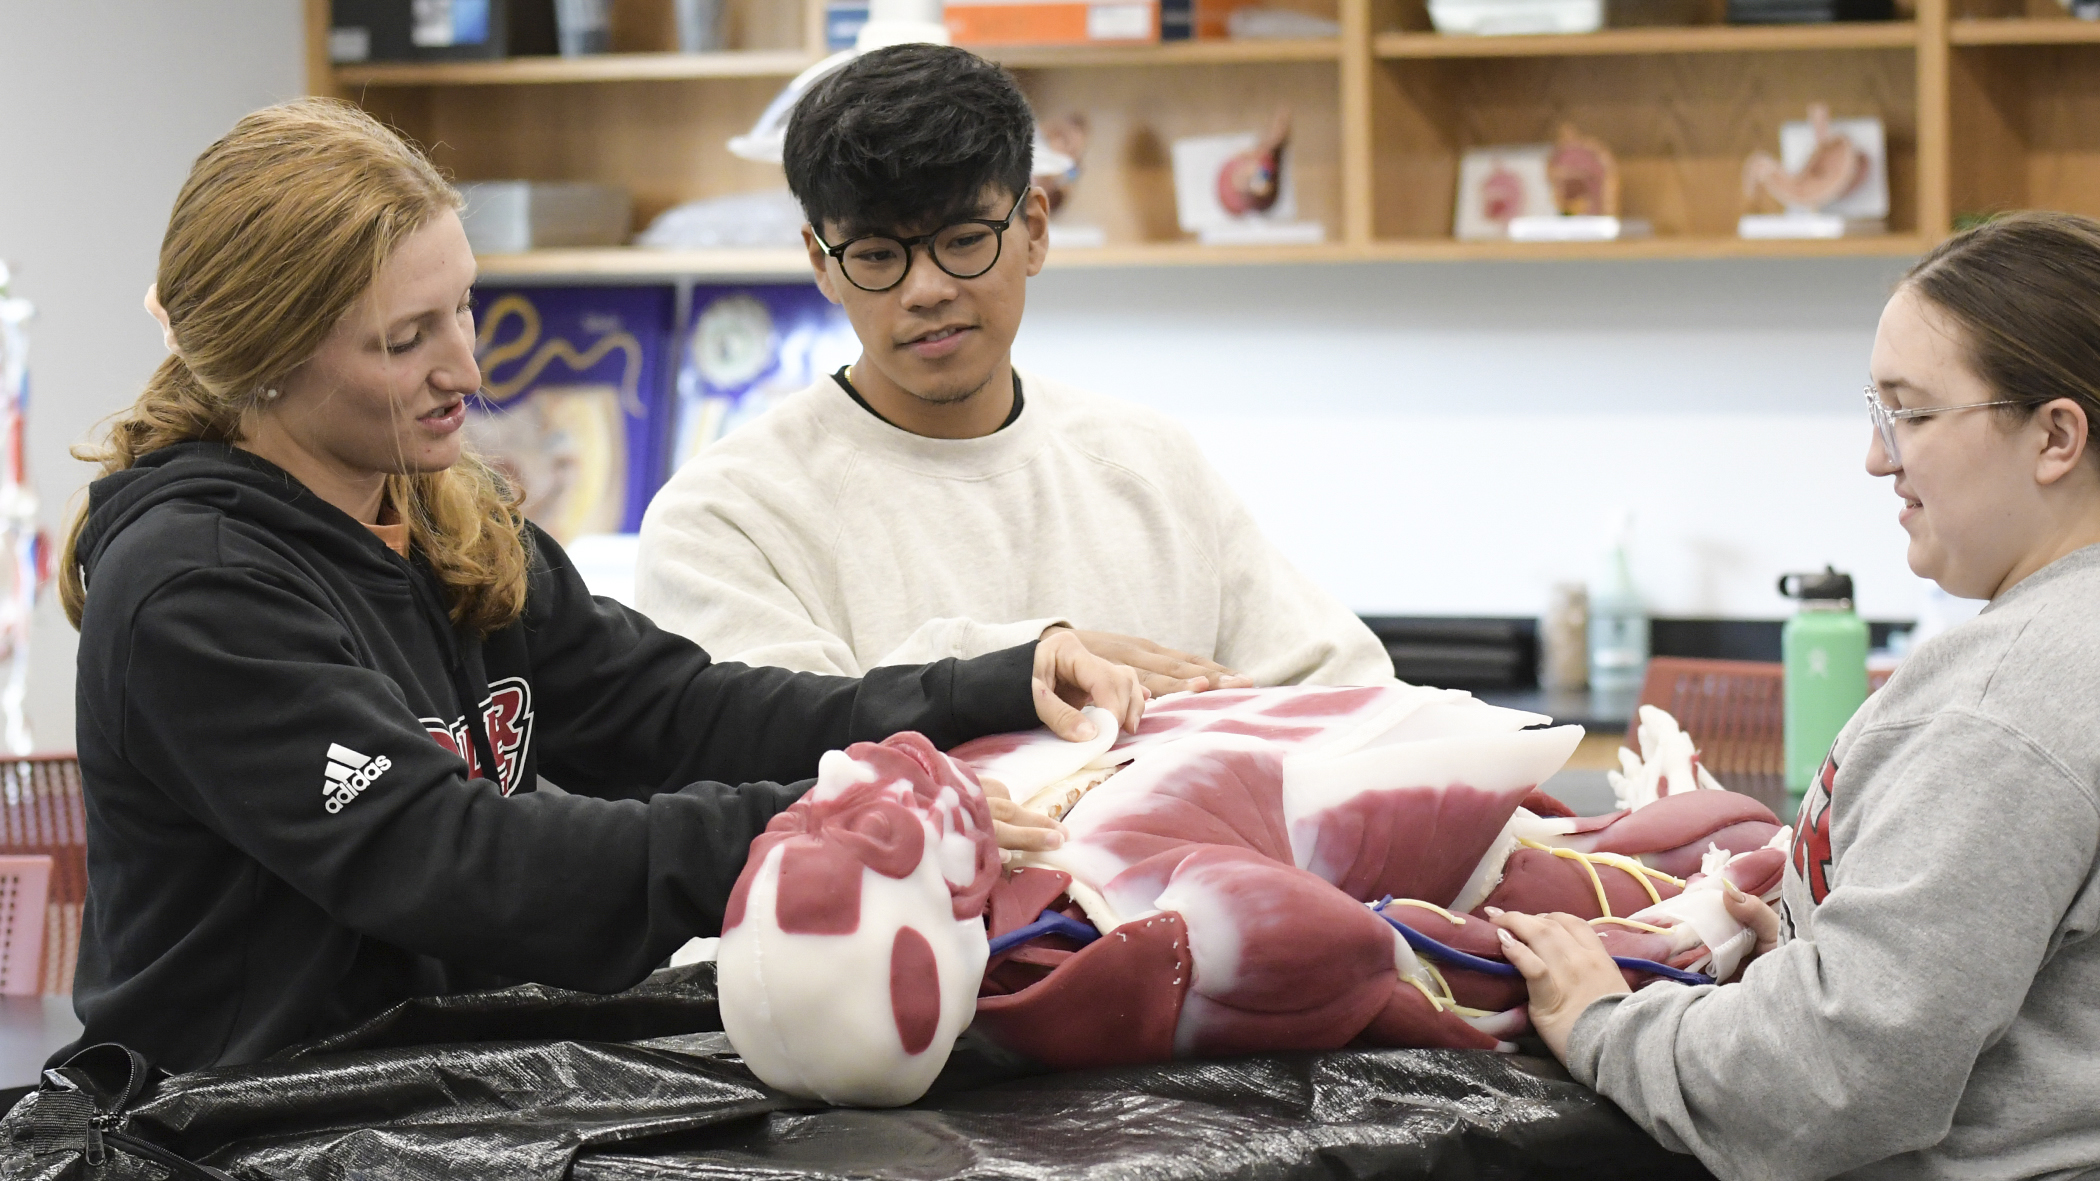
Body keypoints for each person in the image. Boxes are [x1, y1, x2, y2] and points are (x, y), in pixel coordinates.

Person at [59, 98, 1142, 1075]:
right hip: (236, 1119)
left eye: (463, 311)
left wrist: (978, 692)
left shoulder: (439, 510)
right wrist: (826, 821)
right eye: (405, 340)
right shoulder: (193, 592)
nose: (467, 372)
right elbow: (457, 859)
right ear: (267, 359)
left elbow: (673, 712)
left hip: (430, 1082)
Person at [1494, 211, 2100, 1179]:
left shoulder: (2008, 703)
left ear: (2055, 435)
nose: (1877, 455)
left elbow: (1842, 1073)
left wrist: (1605, 1024)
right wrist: (1830, 937)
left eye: (1909, 411)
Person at [635, 44, 1393, 696]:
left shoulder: (1150, 463)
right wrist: (1010, 674)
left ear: (1032, 231)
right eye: (876, 255)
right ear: (822, 265)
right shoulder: (725, 517)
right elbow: (779, 771)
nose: (926, 289)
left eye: (964, 239)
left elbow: (1347, 694)